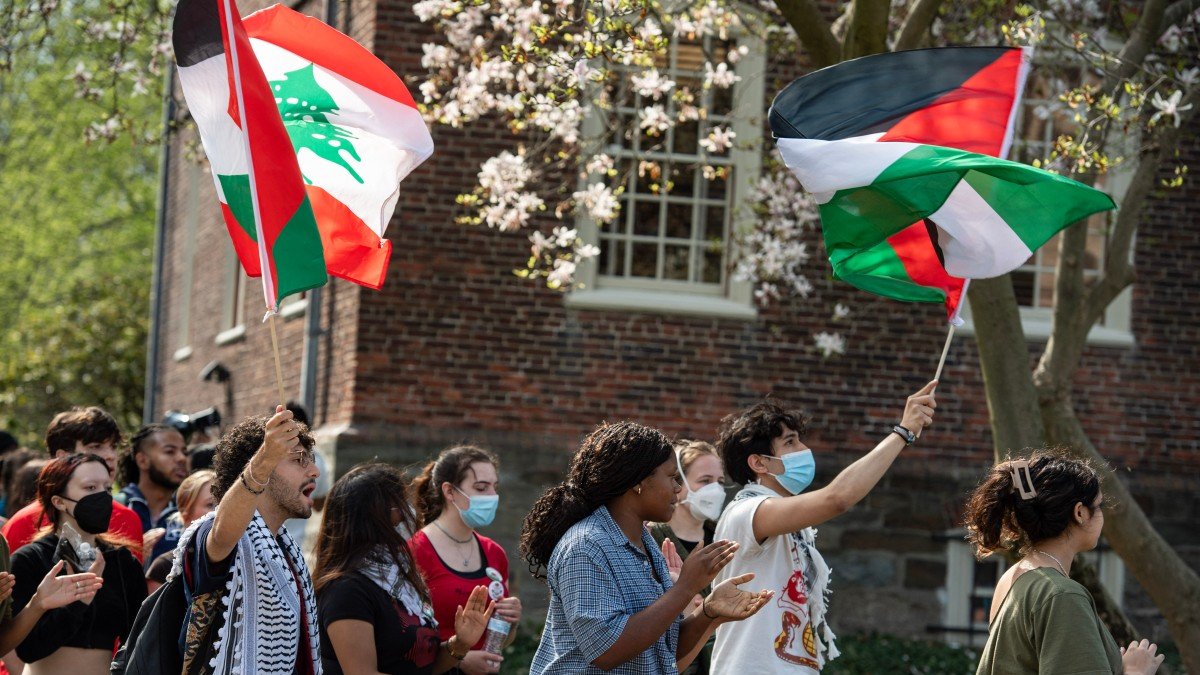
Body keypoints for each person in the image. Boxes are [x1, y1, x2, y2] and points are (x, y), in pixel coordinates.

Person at [709, 382, 937, 673]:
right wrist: (902, 432)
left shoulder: (786, 520)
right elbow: (837, 498)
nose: (804, 449)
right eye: (790, 442)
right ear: (759, 463)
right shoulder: (746, 511)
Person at [522, 421, 773, 675]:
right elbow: (605, 651)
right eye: (672, 477)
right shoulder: (586, 545)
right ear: (638, 481)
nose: (677, 488)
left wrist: (708, 613)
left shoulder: (645, 544)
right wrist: (686, 587)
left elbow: (664, 654)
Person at [965, 452, 1165, 675]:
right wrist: (1137, 672)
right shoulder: (1062, 595)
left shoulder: (1012, 578)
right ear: (1080, 513)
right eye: (1098, 507)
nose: (1102, 516)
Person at [172, 407, 321, 675]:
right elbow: (222, 535)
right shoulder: (215, 530)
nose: (314, 471)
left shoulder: (287, 551)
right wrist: (265, 458)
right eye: (299, 460)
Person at [313, 462, 497, 674]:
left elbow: (425, 667)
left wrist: (460, 644)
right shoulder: (347, 590)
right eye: (398, 506)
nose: (408, 513)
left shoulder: (399, 580)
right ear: (372, 519)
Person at [9, 454, 145, 674]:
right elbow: (27, 649)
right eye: (90, 488)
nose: (102, 496)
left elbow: (138, 640)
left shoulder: (122, 563)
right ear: (59, 501)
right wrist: (78, 604)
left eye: (107, 488)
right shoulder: (30, 559)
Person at [409, 445, 520, 675]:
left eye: (494, 487)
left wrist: (512, 621)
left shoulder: (494, 552)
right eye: (481, 488)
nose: (492, 497)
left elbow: (502, 637)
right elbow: (403, 637)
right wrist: (459, 658)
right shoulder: (414, 550)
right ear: (449, 491)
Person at [1, 408, 143, 560]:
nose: (110, 455)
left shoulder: (129, 519)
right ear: (63, 457)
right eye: (96, 446)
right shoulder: (23, 523)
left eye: (114, 446)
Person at [648, 440, 726, 675]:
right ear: (677, 483)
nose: (716, 490)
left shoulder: (725, 538)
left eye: (720, 482)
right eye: (705, 481)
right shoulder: (650, 538)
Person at [116, 424, 189, 562]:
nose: (181, 458)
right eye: (170, 451)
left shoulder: (189, 511)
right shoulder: (116, 508)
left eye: (184, 452)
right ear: (142, 460)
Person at [145, 469, 215, 592]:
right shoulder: (164, 566)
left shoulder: (246, 559)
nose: (220, 510)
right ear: (186, 516)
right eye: (211, 505)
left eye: (225, 503)